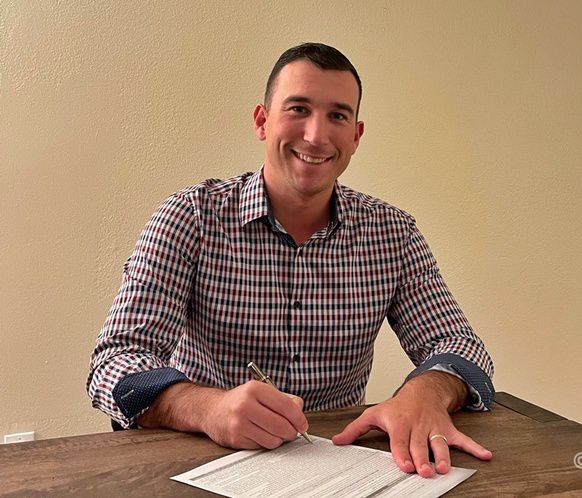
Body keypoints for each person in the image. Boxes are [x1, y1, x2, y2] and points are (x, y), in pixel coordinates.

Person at [87, 42, 495, 478]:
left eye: (337, 116)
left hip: (341, 467)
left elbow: (461, 346)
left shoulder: (392, 233)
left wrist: (425, 393)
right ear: (262, 121)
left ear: (356, 136)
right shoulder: (191, 217)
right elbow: (115, 359)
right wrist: (206, 407)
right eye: (298, 109)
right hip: (208, 461)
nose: (316, 135)